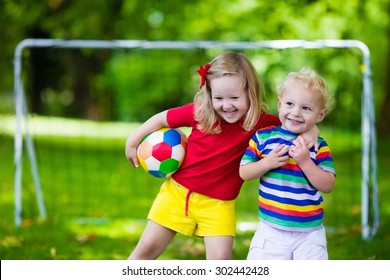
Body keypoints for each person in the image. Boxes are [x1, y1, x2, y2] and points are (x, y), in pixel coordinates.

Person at [125, 53, 317, 260]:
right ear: (209, 95)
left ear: (250, 94)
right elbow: (161, 118)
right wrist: (133, 141)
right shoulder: (199, 112)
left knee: (221, 261)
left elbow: (293, 123)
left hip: (219, 205)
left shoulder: (259, 122)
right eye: (219, 98)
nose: (227, 105)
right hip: (177, 195)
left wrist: (312, 130)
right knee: (146, 250)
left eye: (234, 98)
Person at [239, 67, 336, 260]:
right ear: (280, 103)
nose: (295, 112)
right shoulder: (263, 137)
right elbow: (244, 172)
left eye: (306, 108)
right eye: (290, 104)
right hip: (270, 230)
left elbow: (328, 185)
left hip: (309, 233)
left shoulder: (318, 145)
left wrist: (305, 161)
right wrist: (267, 163)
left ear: (320, 115)